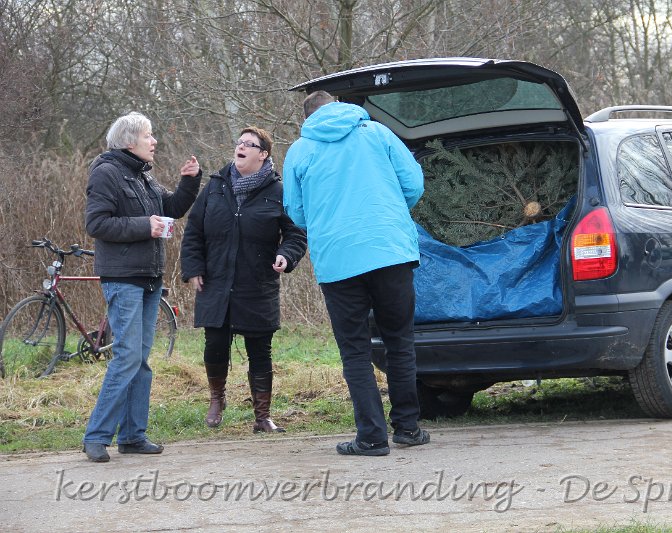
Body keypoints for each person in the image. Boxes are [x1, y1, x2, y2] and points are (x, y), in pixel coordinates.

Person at [282, 91, 428, 456]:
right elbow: (414, 184)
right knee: (399, 341)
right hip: (390, 250)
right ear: (338, 104)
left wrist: (326, 220)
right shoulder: (377, 133)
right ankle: (408, 428)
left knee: (355, 351)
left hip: (338, 261)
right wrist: (389, 211)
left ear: (307, 118)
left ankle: (372, 438)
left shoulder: (299, 151)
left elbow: (296, 212)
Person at [83, 111, 202, 463]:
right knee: (127, 357)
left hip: (150, 278)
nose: (154, 141)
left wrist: (189, 181)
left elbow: (172, 208)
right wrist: (143, 226)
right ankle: (96, 436)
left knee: (140, 360)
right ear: (129, 141)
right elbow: (96, 224)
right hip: (123, 280)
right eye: (149, 135)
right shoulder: (106, 173)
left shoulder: (143, 176)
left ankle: (133, 436)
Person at [181, 126, 306, 433]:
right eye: (239, 142)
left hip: (257, 283)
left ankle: (262, 417)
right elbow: (194, 230)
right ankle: (217, 399)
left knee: (259, 350)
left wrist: (286, 255)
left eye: (249, 144)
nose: (241, 147)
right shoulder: (215, 186)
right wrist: (194, 268)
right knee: (215, 344)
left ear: (263, 154)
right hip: (216, 281)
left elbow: (296, 233)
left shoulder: (279, 192)